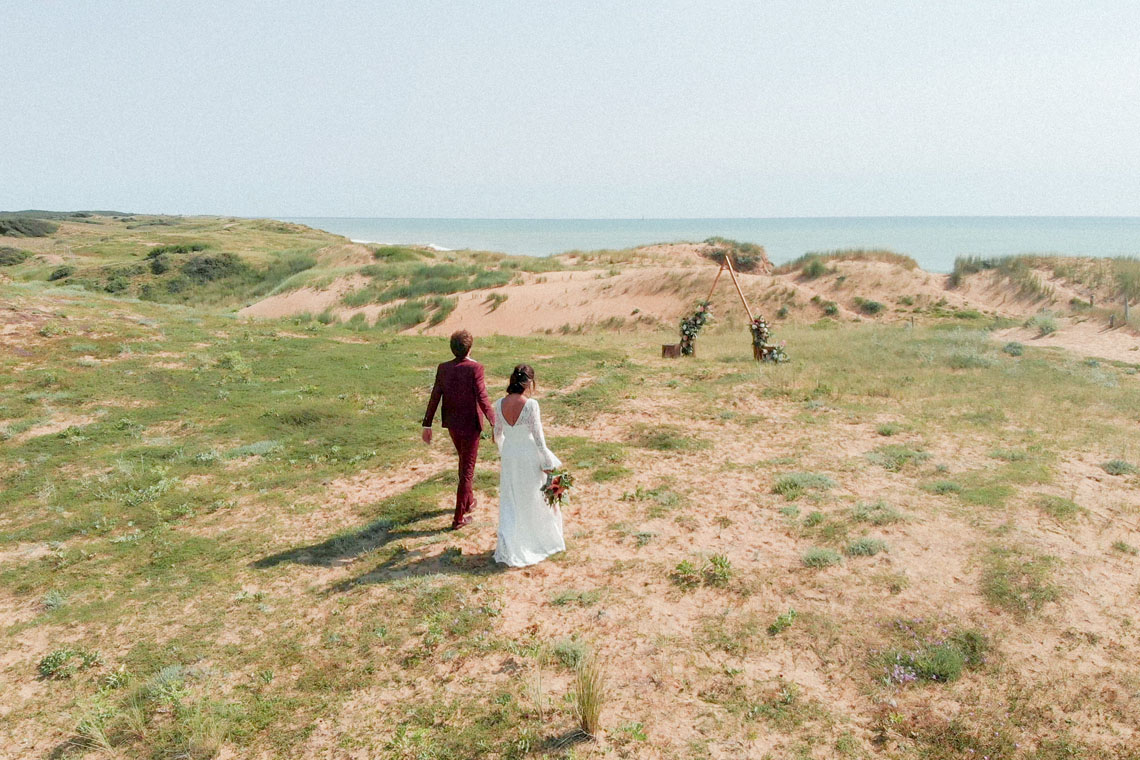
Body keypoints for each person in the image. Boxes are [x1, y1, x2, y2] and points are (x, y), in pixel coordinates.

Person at [421, 330, 496, 530]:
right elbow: (483, 397)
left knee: (464, 464)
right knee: (467, 472)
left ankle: (469, 502)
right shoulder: (475, 368)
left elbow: (435, 396)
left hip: (453, 424)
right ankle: (458, 518)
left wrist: (427, 424)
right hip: (471, 426)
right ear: (470, 347)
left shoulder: (443, 368)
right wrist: (495, 422)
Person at [492, 364, 564, 567]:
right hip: (528, 454)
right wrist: (548, 461)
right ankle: (536, 538)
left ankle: (512, 541)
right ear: (529, 382)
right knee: (533, 495)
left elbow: (498, 434)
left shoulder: (498, 404)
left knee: (512, 497)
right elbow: (539, 438)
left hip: (510, 455)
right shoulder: (531, 405)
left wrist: (504, 451)